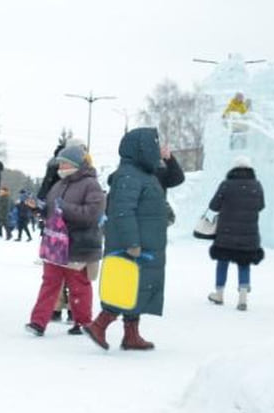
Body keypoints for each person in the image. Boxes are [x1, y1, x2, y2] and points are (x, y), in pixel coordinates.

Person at [85, 127, 169, 351]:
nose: (156, 148)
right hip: (133, 245)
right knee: (125, 286)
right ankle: (99, 325)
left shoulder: (143, 174)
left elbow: (149, 202)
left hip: (147, 242)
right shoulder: (129, 176)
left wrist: (165, 214)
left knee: (138, 287)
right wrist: (132, 243)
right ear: (141, 148)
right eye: (153, 144)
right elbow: (123, 211)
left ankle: (131, 335)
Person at [25, 144, 105, 335]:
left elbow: (92, 214)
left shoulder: (91, 185)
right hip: (56, 245)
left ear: (75, 164)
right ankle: (38, 322)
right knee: (49, 283)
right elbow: (53, 212)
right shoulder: (59, 184)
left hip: (78, 244)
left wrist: (66, 208)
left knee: (79, 285)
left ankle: (83, 322)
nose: (59, 168)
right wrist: (38, 208)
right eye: (59, 164)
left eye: (63, 164)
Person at [206, 158, 265, 311]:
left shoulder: (226, 185)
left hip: (226, 231)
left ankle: (219, 294)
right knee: (244, 262)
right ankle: (243, 297)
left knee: (222, 261)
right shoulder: (256, 186)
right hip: (248, 232)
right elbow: (260, 206)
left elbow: (214, 205)